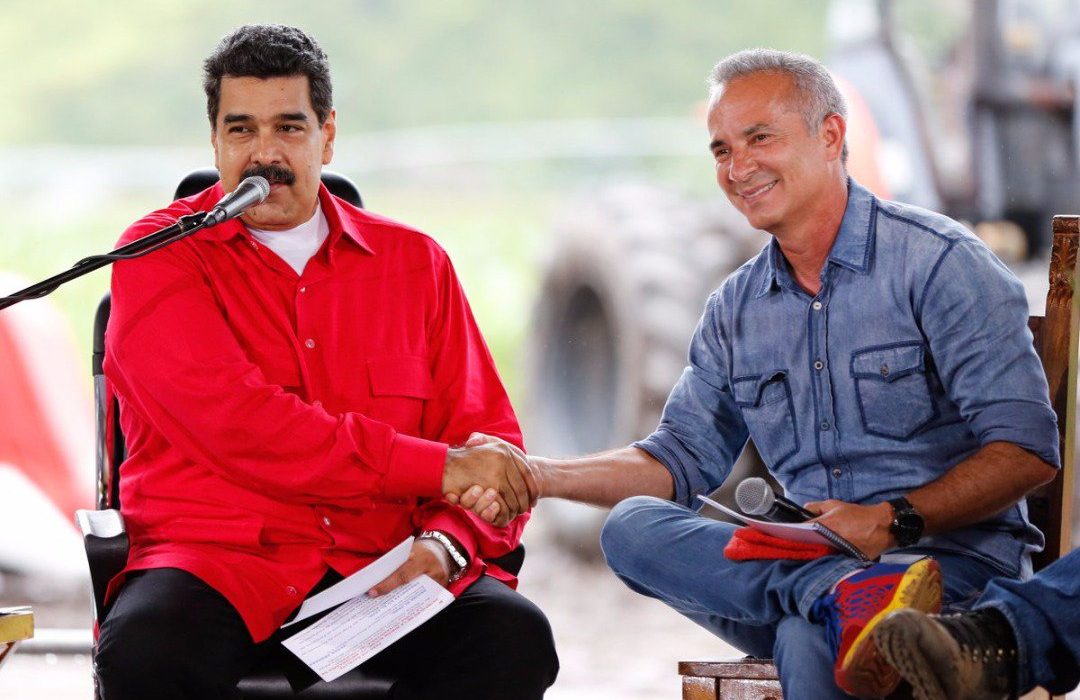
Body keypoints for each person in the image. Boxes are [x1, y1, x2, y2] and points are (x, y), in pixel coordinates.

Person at [456, 48, 1060, 699]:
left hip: (952, 578)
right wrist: (536, 474)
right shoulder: (735, 309)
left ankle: (835, 602)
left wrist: (892, 521)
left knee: (805, 638)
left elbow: (1027, 452)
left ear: (831, 136)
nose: (737, 168)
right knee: (632, 529)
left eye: (759, 138)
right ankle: (837, 596)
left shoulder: (941, 264)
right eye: (721, 150)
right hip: (807, 565)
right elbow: (677, 462)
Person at [95, 24, 557, 700]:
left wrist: (447, 544)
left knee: (515, 639)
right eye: (242, 130)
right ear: (215, 141)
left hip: (384, 567)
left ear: (327, 134)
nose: (265, 153)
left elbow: (490, 446)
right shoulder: (159, 254)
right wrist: (441, 467)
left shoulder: (416, 264)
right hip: (215, 564)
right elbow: (243, 425)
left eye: (289, 127)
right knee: (146, 654)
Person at [874, 545, 1080, 700]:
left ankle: (1001, 643)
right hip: (870, 567)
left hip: (957, 555)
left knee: (895, 641)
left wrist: (896, 517)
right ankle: (1000, 643)